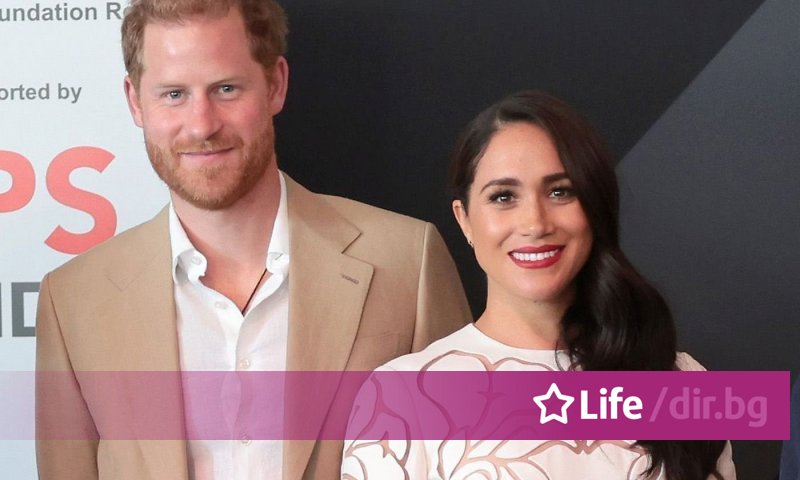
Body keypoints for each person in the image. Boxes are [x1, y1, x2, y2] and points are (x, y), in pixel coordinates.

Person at [34, 1, 471, 479]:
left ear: (275, 84)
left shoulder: (408, 263)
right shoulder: (73, 301)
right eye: (173, 94)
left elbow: (463, 463)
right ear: (136, 101)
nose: (201, 124)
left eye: (226, 88)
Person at [341, 91, 735, 479]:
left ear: (594, 207)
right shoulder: (398, 398)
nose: (535, 223)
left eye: (560, 191)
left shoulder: (683, 379)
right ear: (464, 220)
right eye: (503, 197)